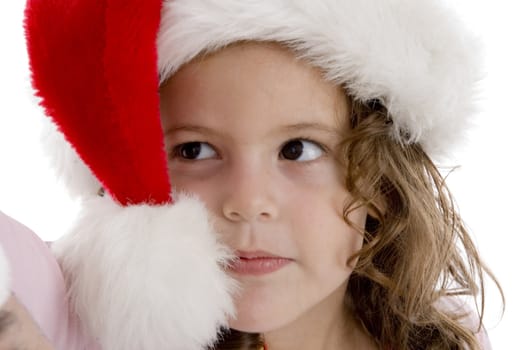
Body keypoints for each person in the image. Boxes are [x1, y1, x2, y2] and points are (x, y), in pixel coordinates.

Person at [0, 0, 501, 349]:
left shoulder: (446, 335)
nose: (247, 200)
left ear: (379, 181)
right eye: (194, 150)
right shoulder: (79, 321)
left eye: (298, 149)